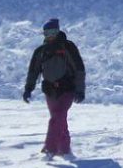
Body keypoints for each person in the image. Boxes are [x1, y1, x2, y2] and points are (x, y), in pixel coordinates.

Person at [23, 18, 85, 158]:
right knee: (60, 120)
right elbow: (34, 71)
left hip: (67, 89)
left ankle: (49, 149)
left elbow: (79, 69)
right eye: (47, 33)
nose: (50, 35)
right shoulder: (41, 51)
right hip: (50, 91)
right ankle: (64, 150)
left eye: (53, 32)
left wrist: (80, 90)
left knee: (57, 118)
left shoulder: (68, 47)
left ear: (58, 31)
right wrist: (28, 89)